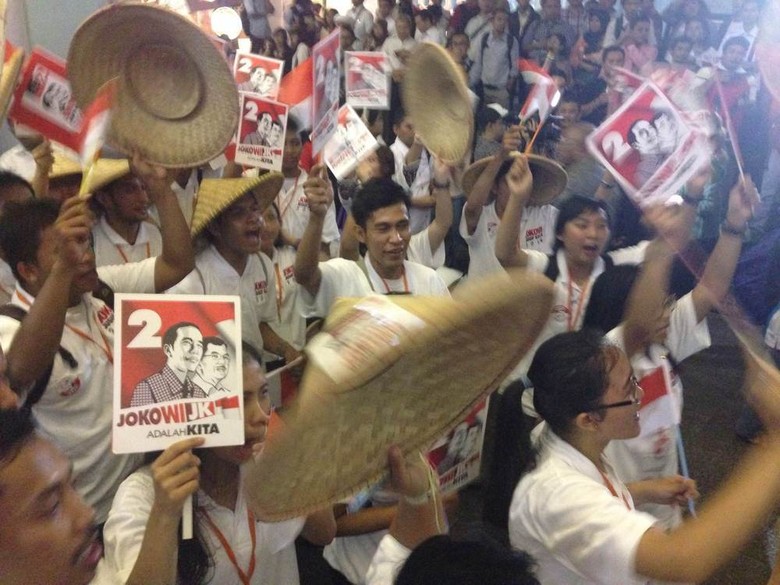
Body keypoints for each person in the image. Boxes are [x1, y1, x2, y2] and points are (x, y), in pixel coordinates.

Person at [0, 155, 194, 525]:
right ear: (27, 271)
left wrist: (161, 191)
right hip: (87, 518)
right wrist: (64, 270)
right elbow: (20, 371)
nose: (83, 257)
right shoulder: (10, 327)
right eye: (64, 250)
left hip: (142, 493)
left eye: (85, 244)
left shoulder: (100, 289)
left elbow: (178, 263)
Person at [507, 326, 780, 585]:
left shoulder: (576, 444)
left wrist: (644, 491)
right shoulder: (557, 496)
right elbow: (682, 560)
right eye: (629, 390)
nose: (640, 394)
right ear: (588, 420)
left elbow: (593, 498)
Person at [102, 343, 336, 584]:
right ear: (192, 409)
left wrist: (292, 462)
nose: (260, 415)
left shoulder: (264, 460)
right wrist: (164, 513)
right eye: (238, 401)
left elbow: (324, 533)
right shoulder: (144, 495)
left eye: (263, 393)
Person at [168, 175, 302, 373]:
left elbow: (258, 325)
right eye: (239, 213)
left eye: (255, 209)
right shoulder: (192, 279)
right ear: (215, 227)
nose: (255, 219)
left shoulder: (263, 266)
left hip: (255, 377)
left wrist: (288, 350)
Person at [294, 170, 449, 318]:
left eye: (402, 226)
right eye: (383, 228)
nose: (396, 238)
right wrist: (317, 216)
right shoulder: (345, 276)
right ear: (361, 234)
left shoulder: (430, 281)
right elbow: (305, 276)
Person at [461, 128, 561, 281]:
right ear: (494, 187)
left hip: (529, 302)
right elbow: (472, 208)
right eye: (511, 180)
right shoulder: (482, 214)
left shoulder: (548, 215)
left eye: (524, 179)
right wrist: (500, 157)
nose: (518, 186)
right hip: (484, 302)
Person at [276, 118, 341, 256]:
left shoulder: (316, 187)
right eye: (282, 144)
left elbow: (327, 243)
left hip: (306, 270)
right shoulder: (259, 183)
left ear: (303, 146)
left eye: (295, 143)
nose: (289, 150)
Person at [91, 164, 163, 267]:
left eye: (143, 188)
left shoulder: (155, 233)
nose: (144, 199)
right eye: (130, 190)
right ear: (104, 199)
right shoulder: (91, 241)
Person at [129, 322, 206, 407]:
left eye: (199, 345)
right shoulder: (146, 389)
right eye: (187, 343)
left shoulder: (198, 393)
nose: (195, 350)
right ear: (168, 350)